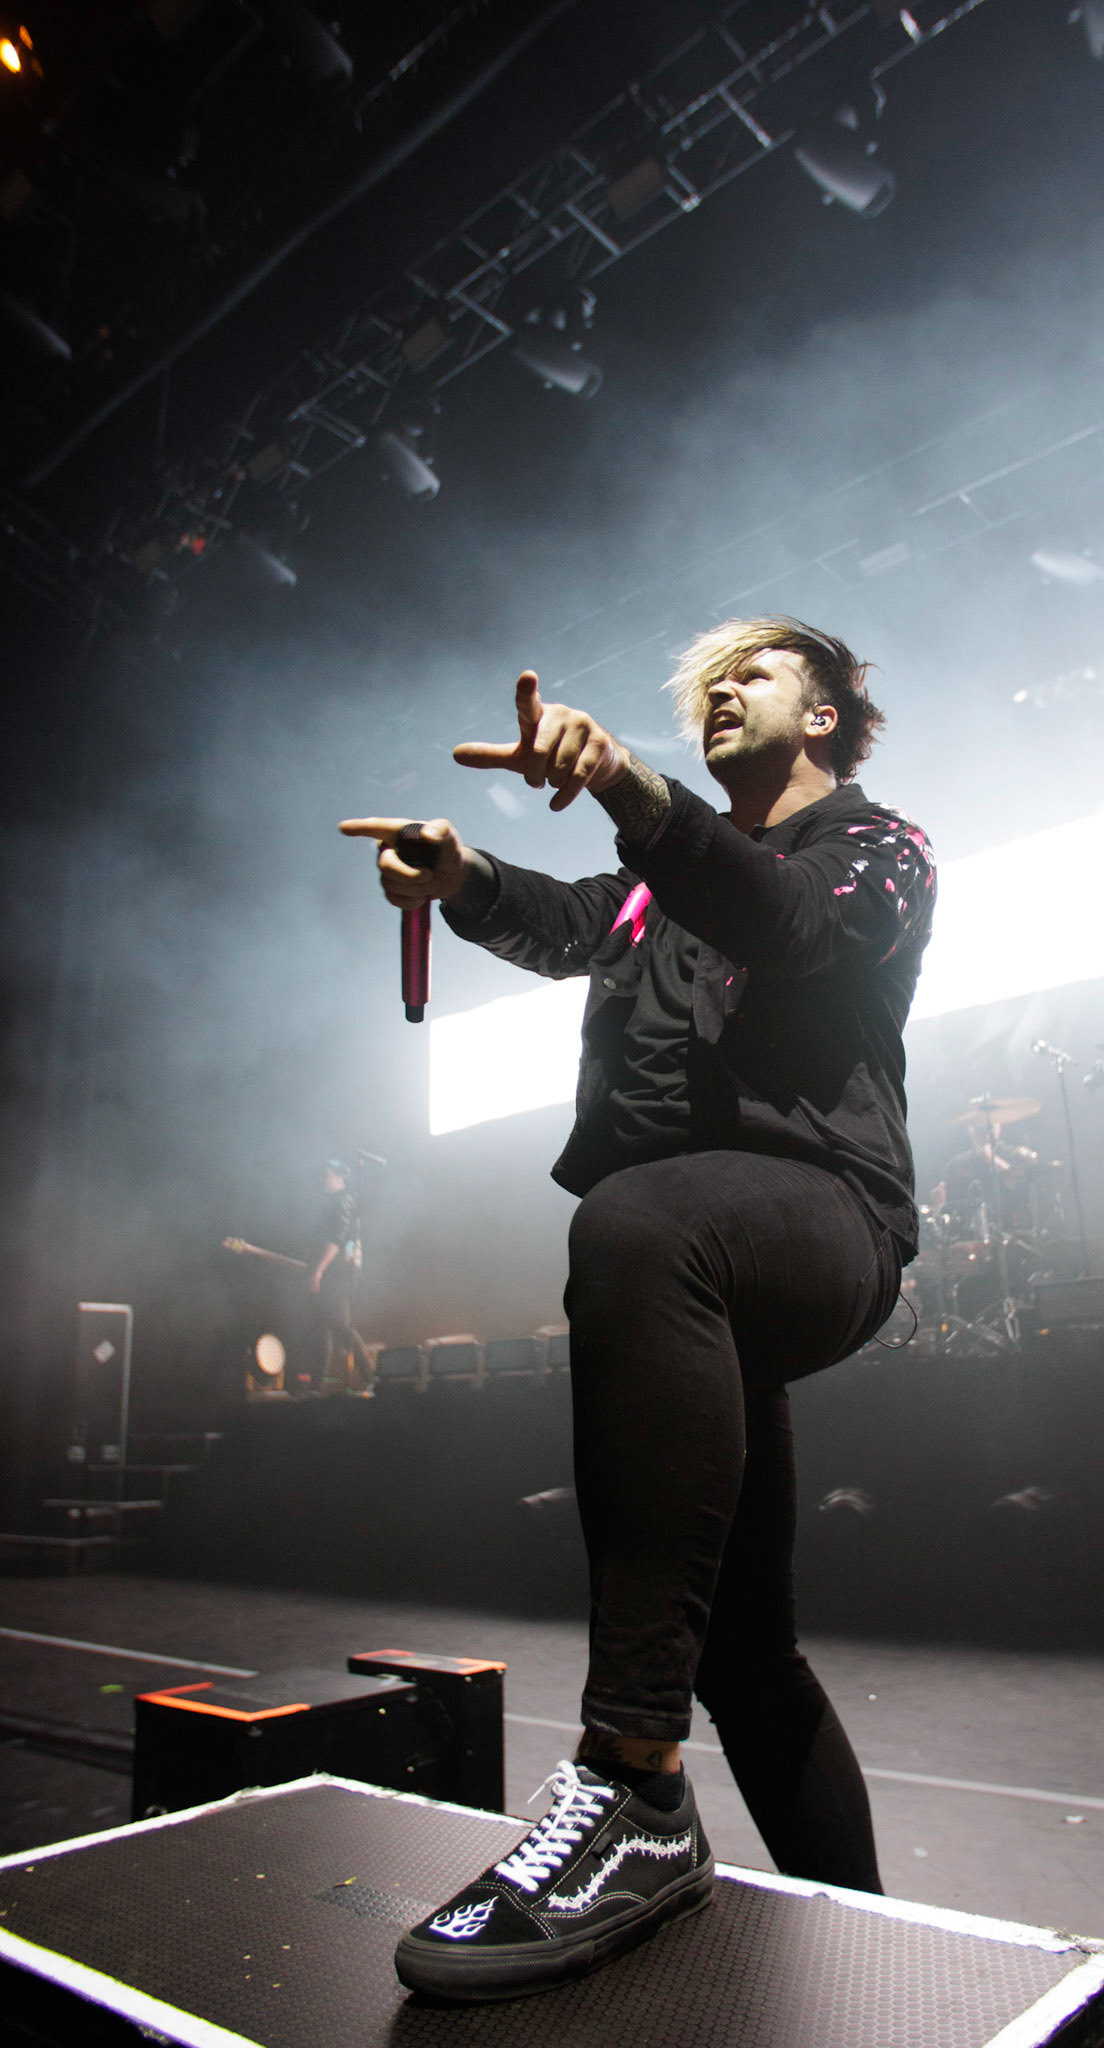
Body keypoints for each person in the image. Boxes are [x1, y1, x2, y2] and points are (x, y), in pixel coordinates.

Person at [340, 616, 936, 2003]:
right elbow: (570, 924)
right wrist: (464, 875)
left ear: (828, 716)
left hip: (825, 1219)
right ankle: (882, 1952)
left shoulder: (877, 847)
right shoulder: (656, 888)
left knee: (634, 1219)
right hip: (704, 1252)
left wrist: (622, 781)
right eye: (708, 680)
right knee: (744, 1652)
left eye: (757, 672)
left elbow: (786, 922)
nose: (723, 688)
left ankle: (632, 1773)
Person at [304, 1159, 364, 1393]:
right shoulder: (332, 1202)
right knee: (319, 1328)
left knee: (340, 1326)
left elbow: (336, 1240)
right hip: (330, 1274)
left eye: (327, 1175)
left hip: (338, 1275)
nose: (323, 1180)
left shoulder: (343, 1201)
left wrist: (319, 1269)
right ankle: (316, 1385)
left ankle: (371, 1375)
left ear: (339, 1177)